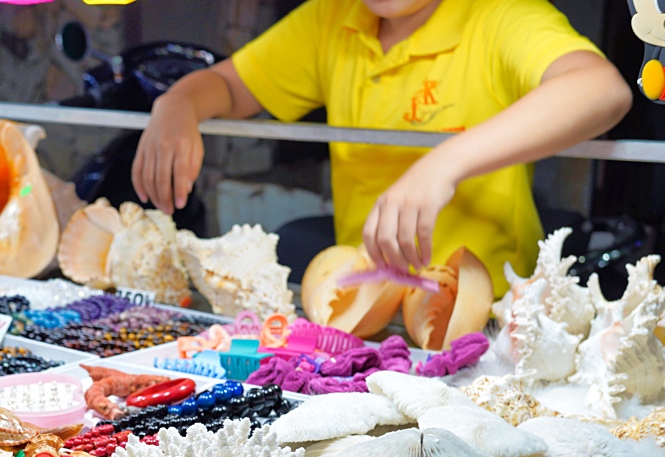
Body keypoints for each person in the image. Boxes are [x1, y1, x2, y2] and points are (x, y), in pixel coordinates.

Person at [131, 0, 633, 294]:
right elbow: (231, 87)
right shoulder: (331, 17)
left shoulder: (502, 14)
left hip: (488, 313)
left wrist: (444, 164)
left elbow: (600, 90)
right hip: (366, 304)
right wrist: (177, 104)